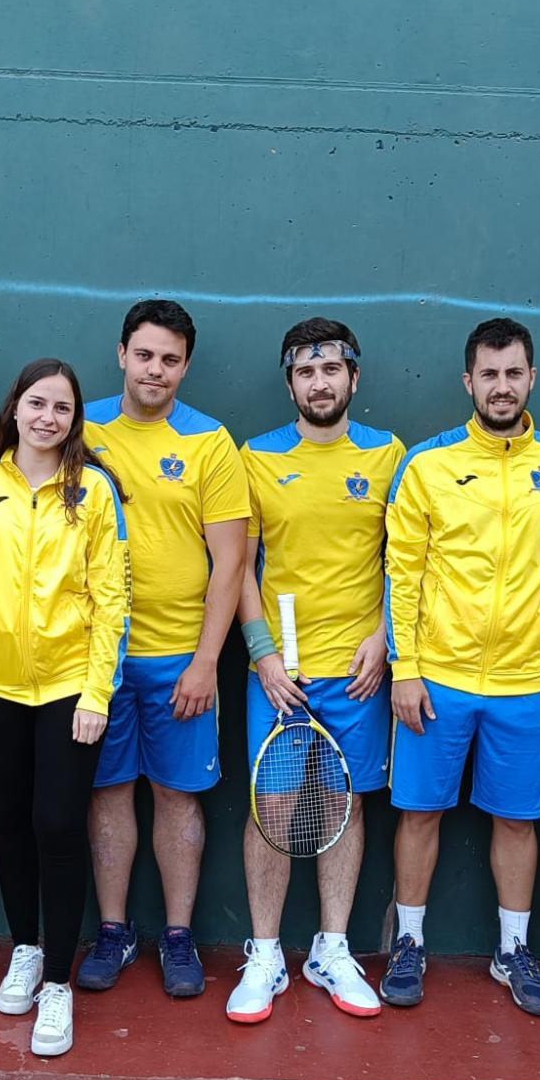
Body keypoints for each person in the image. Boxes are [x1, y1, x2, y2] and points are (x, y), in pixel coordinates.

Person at [382, 318, 540, 1014]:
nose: (502, 387)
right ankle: (409, 942)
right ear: (468, 381)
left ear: (532, 378)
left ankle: (512, 951)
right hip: (437, 678)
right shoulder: (428, 464)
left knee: (518, 821)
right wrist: (406, 667)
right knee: (419, 813)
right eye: (490, 374)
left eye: (514, 373)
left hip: (525, 683)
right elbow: (402, 573)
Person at [0, 360, 130, 1057]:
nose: (48, 417)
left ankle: (57, 981)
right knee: (10, 823)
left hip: (69, 689)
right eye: (37, 403)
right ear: (15, 408)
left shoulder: (93, 491)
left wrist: (97, 692)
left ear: (74, 420)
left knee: (57, 824)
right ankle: (24, 948)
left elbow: (111, 599)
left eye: (62, 408)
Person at [226, 318, 405, 1023]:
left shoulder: (389, 454)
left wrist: (384, 637)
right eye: (306, 372)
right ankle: (265, 955)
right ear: (291, 383)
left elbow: (404, 560)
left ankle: (331, 949)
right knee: (270, 810)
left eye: (331, 370)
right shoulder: (256, 457)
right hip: (279, 675)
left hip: (359, 671)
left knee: (345, 806)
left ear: (354, 377)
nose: (320, 383)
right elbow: (239, 568)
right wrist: (263, 656)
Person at [79, 300, 250, 998]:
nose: (156, 370)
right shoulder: (79, 427)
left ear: (186, 366)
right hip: (96, 659)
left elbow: (231, 563)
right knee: (108, 793)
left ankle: (178, 936)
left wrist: (207, 661)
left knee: (177, 797)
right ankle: (114, 931)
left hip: (180, 658)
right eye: (145, 355)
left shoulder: (210, 442)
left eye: (170, 359)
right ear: (122, 354)